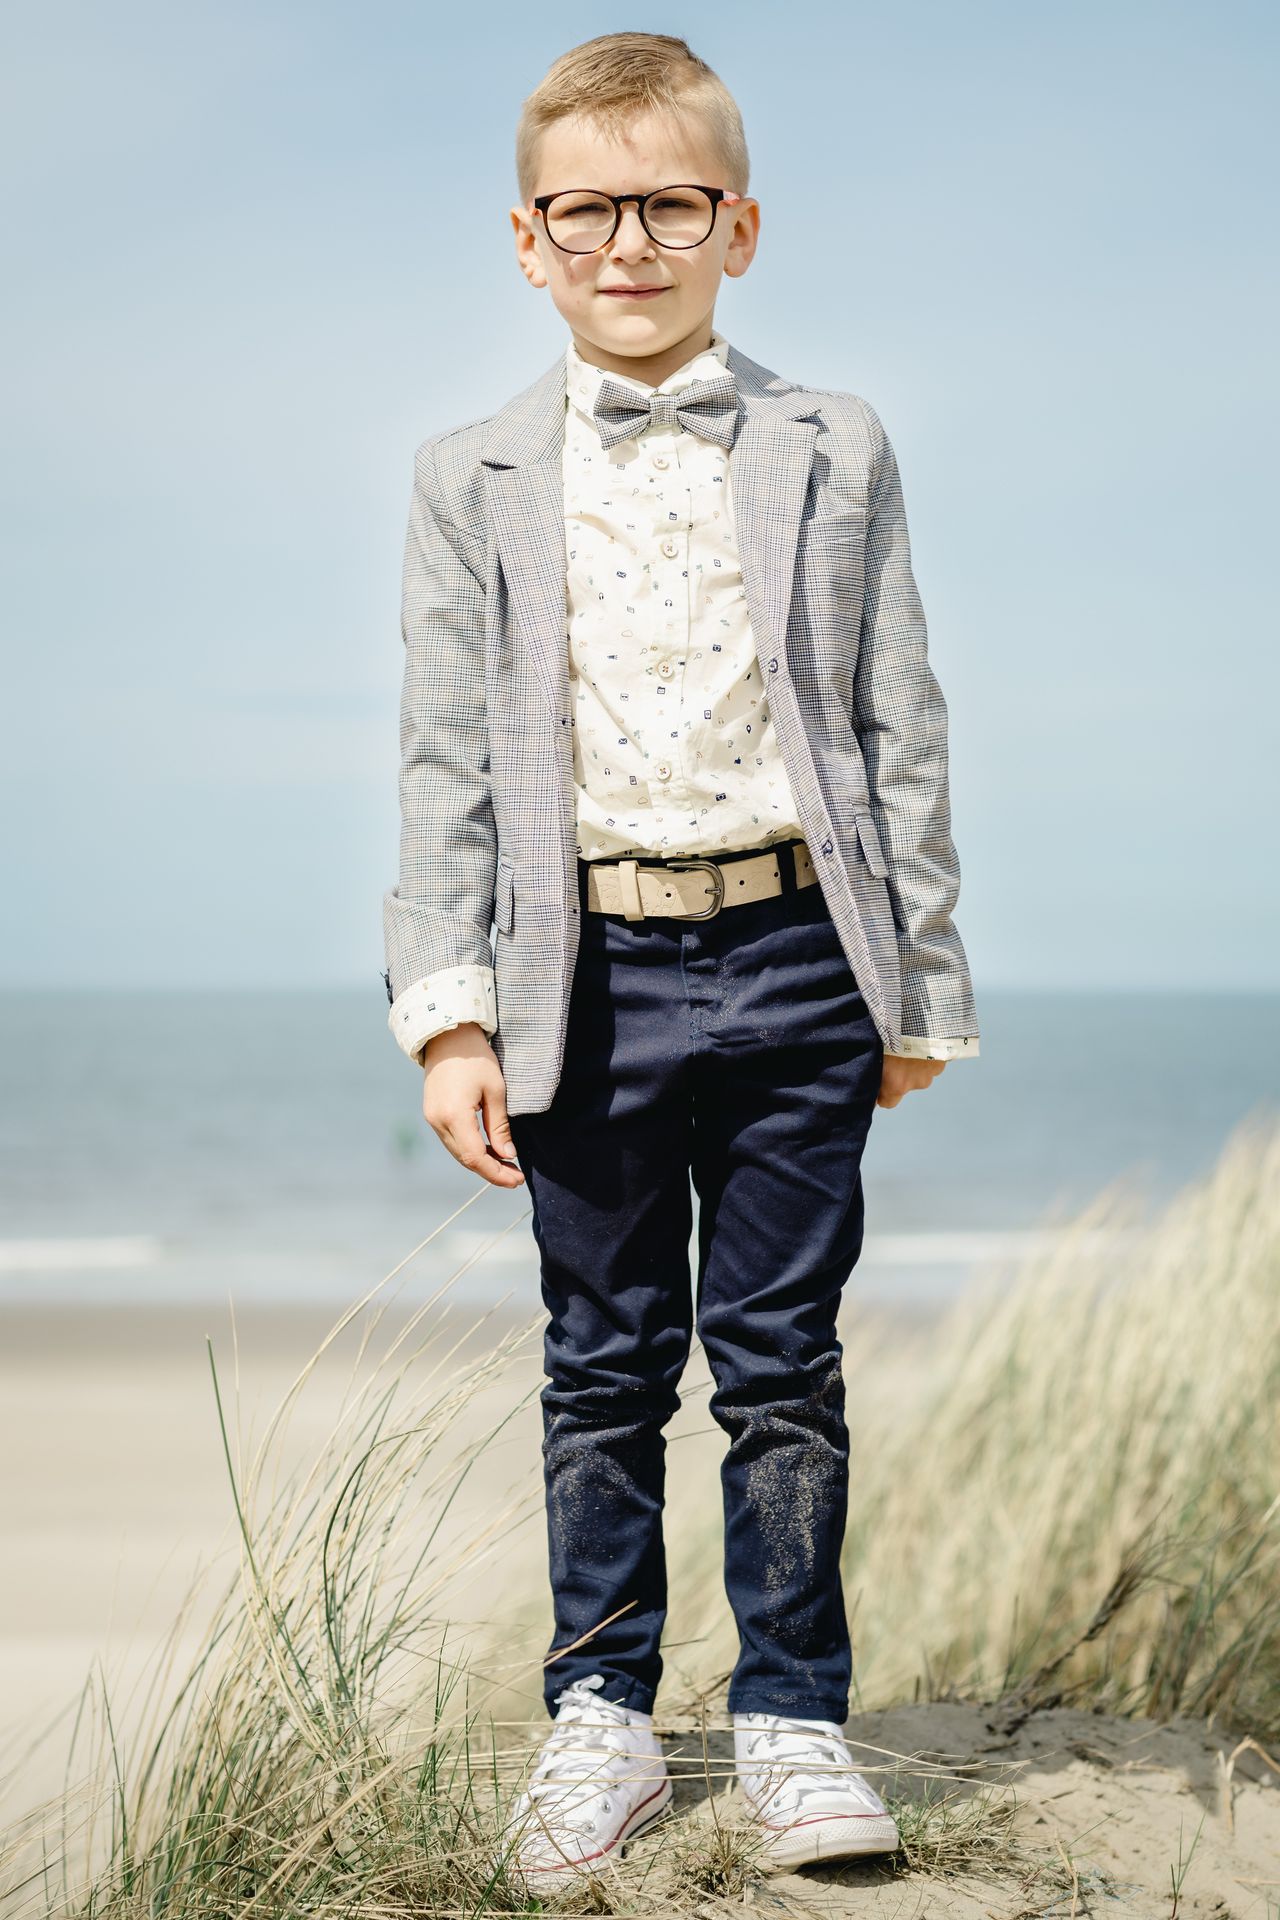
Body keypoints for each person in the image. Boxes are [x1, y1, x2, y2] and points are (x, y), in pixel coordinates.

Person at [381, 29, 980, 1889]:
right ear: (529, 239)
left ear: (740, 226)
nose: (628, 242)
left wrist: (920, 983)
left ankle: (795, 1721)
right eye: (587, 210)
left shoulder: (835, 441)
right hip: (582, 969)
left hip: (804, 950)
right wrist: (448, 1014)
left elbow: (898, 718)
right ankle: (603, 1720)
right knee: (603, 1362)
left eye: (670, 205)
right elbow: (446, 757)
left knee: (783, 1360)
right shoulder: (468, 472)